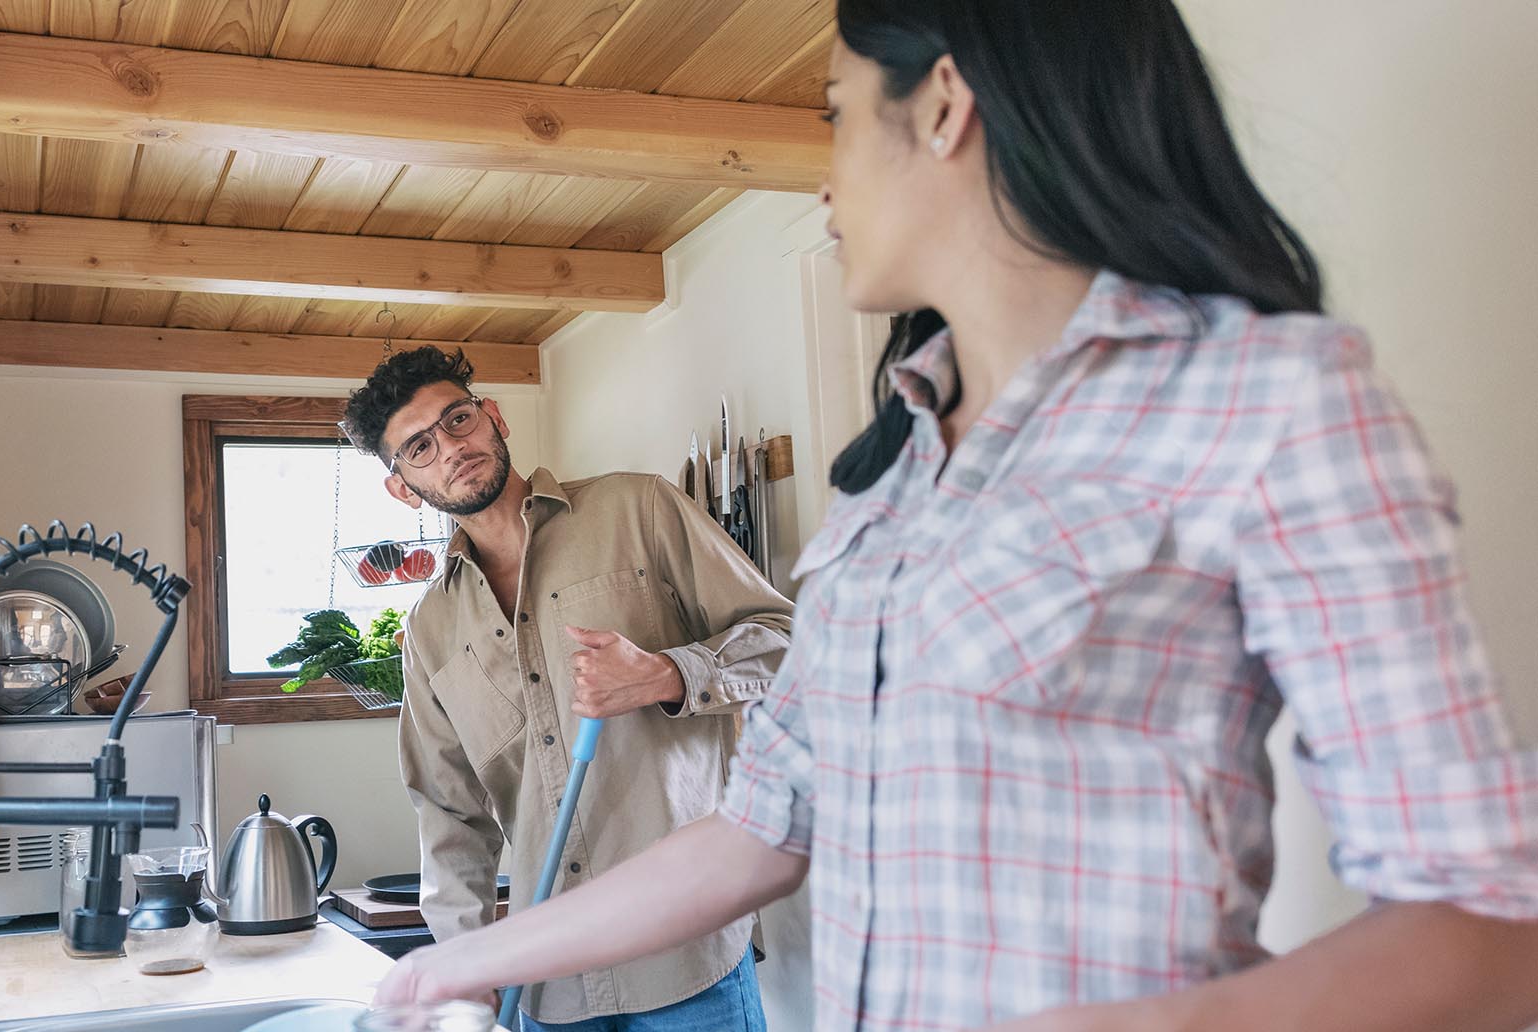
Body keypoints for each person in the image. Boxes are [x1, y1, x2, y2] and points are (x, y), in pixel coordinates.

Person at [371, 2, 1538, 1029]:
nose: (822, 181)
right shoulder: (889, 480)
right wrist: (454, 966)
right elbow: (758, 832)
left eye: (832, 115)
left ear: (942, 106)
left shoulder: (1267, 400)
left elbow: (1490, 922)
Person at [339, 346, 794, 1031]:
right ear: (403, 486)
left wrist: (669, 673)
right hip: (551, 993)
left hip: (688, 962)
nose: (452, 449)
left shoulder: (638, 508)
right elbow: (447, 814)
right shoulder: (431, 628)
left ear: (493, 418)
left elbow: (789, 641)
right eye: (420, 447)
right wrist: (469, 962)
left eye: (459, 420)